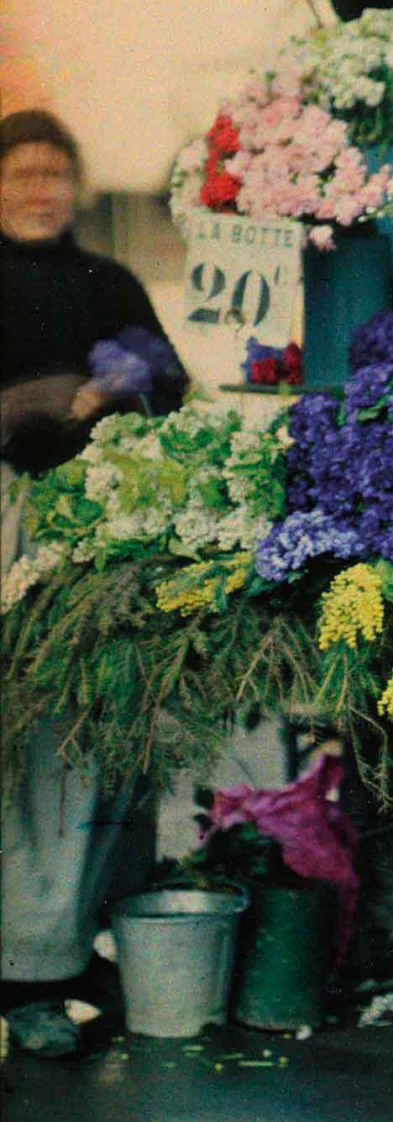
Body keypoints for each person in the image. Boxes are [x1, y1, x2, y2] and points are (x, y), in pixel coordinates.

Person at [1, 108, 186, 1055]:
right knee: (28, 740)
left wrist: (123, 387)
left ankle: (90, 934)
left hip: (104, 523)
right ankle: (26, 969)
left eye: (55, 175)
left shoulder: (108, 280)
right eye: (20, 174)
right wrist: (34, 404)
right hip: (8, 526)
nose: (39, 192)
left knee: (104, 725)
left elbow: (171, 379)